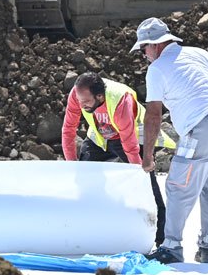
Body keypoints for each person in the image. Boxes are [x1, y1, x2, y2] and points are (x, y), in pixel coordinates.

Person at [132, 18, 208, 265]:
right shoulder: (199, 53)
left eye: (143, 48)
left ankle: (171, 247)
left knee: (178, 187)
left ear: (155, 45)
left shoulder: (157, 69)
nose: (144, 55)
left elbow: (154, 114)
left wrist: (147, 155)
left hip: (204, 126)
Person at [61, 72, 171, 248]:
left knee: (146, 183)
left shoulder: (120, 101)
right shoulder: (78, 95)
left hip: (132, 134)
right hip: (101, 136)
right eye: (80, 101)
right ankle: (91, 227)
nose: (81, 105)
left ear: (99, 96)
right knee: (84, 176)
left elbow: (129, 144)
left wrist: (138, 171)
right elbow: (68, 130)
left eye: (86, 102)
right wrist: (72, 165)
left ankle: (161, 237)